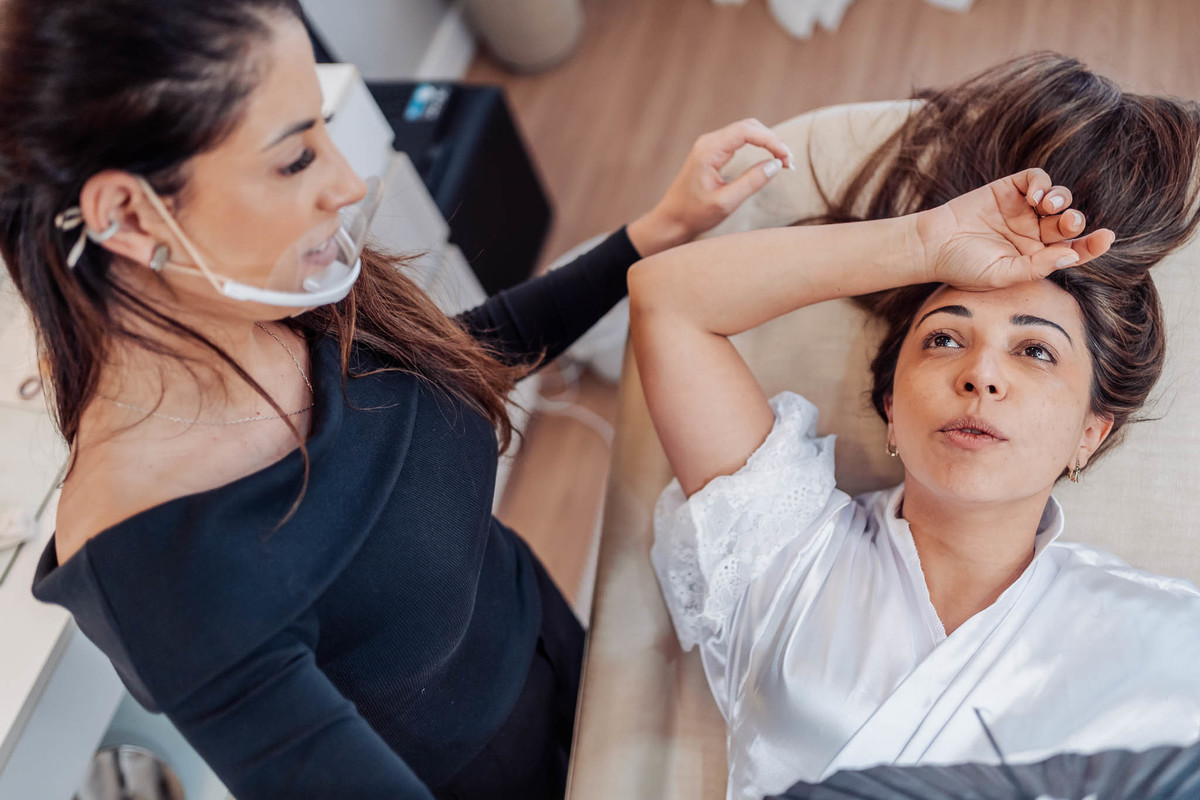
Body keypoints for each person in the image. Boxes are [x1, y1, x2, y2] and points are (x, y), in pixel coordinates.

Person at [4, 1, 795, 797]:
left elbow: (457, 362)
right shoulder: (163, 576)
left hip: (547, 638)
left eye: (321, 129)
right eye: (293, 159)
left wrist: (652, 232)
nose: (345, 183)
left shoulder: (278, 300)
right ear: (131, 216)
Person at [629, 54, 1200, 800]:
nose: (980, 375)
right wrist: (926, 244)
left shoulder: (1170, 636)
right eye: (943, 339)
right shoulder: (783, 557)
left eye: (1034, 351)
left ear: (1090, 433)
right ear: (893, 408)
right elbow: (666, 300)